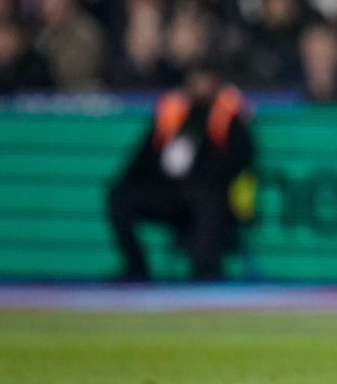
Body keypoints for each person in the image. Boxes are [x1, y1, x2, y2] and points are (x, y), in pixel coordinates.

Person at [107, 58, 256, 281]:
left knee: (209, 200)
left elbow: (239, 160)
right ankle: (136, 268)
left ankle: (205, 270)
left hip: (209, 194)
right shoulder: (173, 112)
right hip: (168, 193)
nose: (200, 85)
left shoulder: (228, 115)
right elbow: (144, 158)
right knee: (120, 197)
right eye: (196, 78)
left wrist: (201, 179)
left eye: (206, 79)